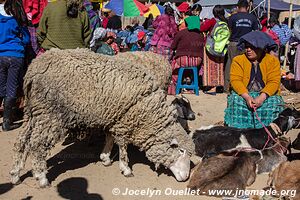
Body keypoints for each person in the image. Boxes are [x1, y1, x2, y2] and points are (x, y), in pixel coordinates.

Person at [224, 31, 283, 129]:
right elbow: (235, 80)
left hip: (265, 95)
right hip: (244, 94)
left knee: (274, 102)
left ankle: (267, 133)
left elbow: (274, 82)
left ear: (262, 48)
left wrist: (261, 97)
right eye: (247, 47)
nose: (248, 50)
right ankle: (241, 132)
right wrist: (247, 97)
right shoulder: (238, 60)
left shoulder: (272, 61)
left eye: (252, 47)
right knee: (235, 101)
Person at [0, 0, 30, 131]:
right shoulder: (17, 14)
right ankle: (7, 123)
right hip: (16, 55)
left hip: (0, 55)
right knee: (11, 88)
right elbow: (26, 39)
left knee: (1, 87)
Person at [224, 0, 259, 93]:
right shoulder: (253, 17)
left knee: (230, 64)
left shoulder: (232, 17)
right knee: (245, 65)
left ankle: (227, 88)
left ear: (237, 7)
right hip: (247, 45)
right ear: (248, 7)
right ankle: (244, 87)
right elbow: (256, 32)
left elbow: (229, 30)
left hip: (233, 43)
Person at [168, 16, 205, 95]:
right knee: (196, 65)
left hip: (182, 60)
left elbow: (173, 46)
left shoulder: (181, 33)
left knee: (175, 63)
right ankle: (191, 83)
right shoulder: (201, 35)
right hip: (196, 61)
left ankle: (177, 83)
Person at [200, 5, 227, 94]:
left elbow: (202, 28)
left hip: (211, 47)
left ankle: (212, 87)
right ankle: (219, 86)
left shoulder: (212, 21)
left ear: (214, 13)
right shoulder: (226, 21)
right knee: (220, 67)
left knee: (210, 67)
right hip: (222, 48)